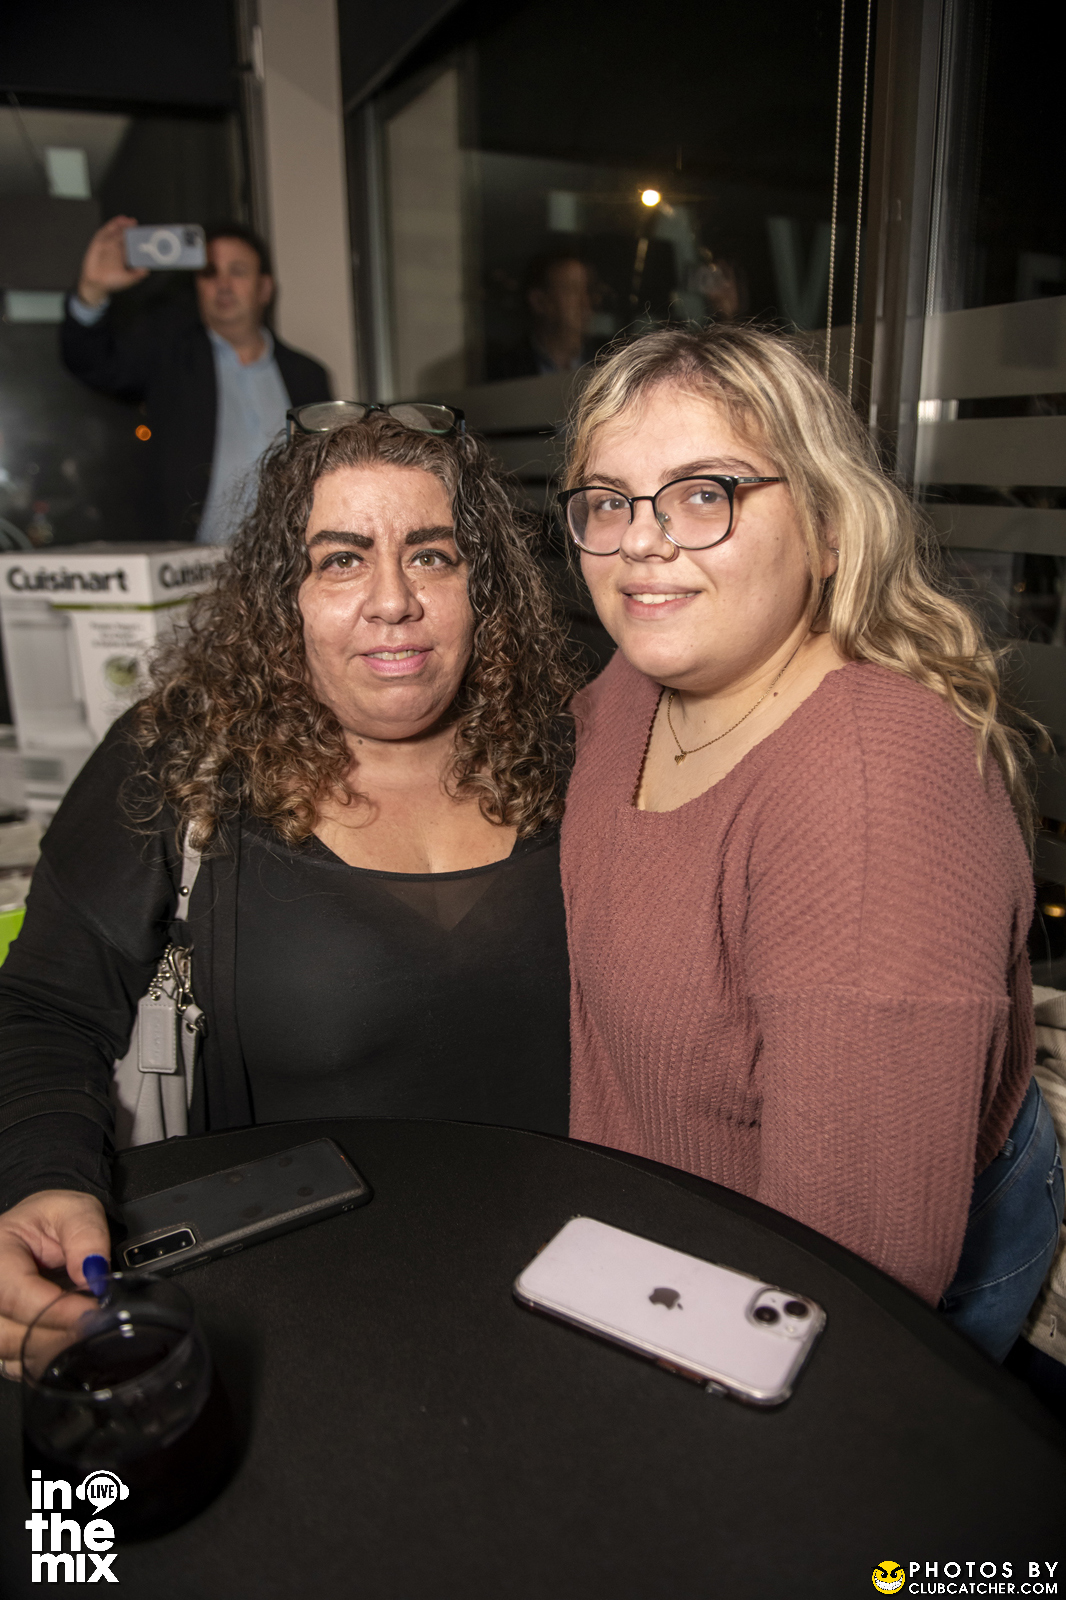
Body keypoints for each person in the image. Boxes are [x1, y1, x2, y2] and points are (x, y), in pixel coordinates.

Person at [0, 403, 576, 1372]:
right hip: (301, 1320)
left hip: (566, 1288)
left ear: (485, 586)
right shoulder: (180, 762)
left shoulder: (580, 753)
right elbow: (44, 1008)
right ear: (283, 597)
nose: (392, 600)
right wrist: (42, 1179)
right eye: (341, 559)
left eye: (432, 555)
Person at [559, 324, 1064, 1361]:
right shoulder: (635, 681)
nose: (641, 542)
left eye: (704, 493)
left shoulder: (873, 802)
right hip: (674, 1235)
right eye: (608, 501)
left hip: (829, 1297)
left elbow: (850, 1280)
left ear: (830, 530)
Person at [61, 217, 332, 543]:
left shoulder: (307, 376)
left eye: (237, 271)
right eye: (209, 273)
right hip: (191, 562)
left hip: (291, 562)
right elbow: (93, 363)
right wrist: (91, 290)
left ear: (265, 288)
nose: (223, 284)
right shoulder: (171, 361)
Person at [488, 253, 596, 380]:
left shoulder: (606, 359)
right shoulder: (505, 370)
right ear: (538, 301)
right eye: (572, 290)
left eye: (587, 290)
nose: (586, 303)